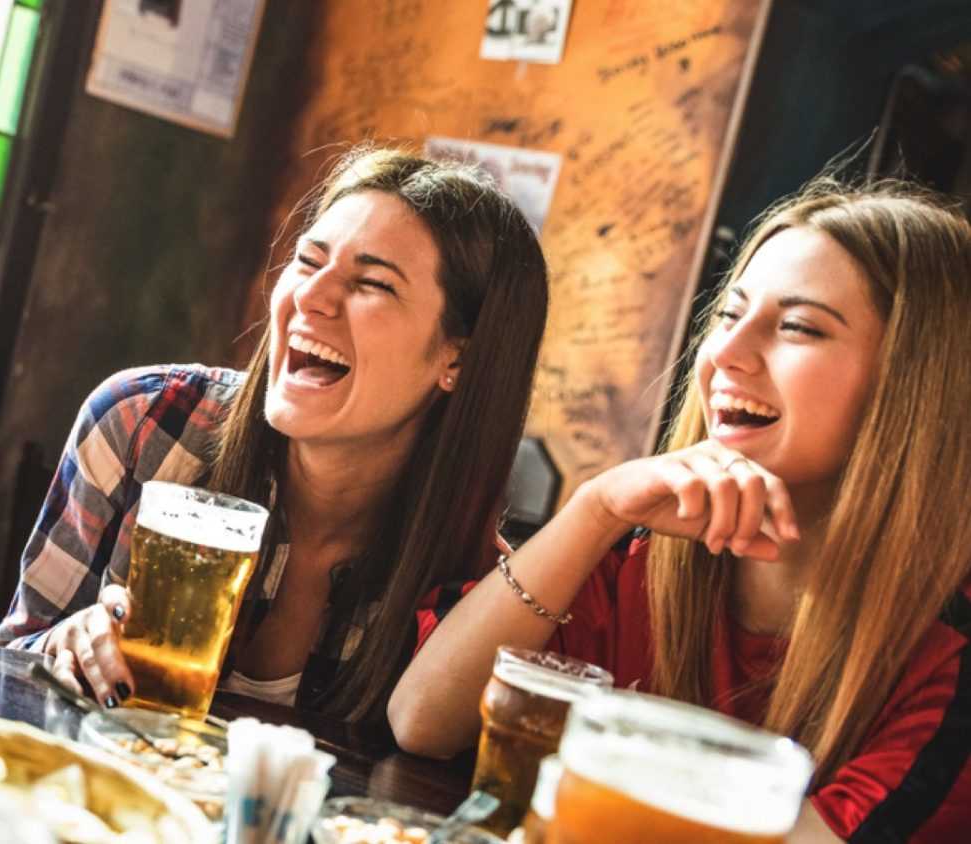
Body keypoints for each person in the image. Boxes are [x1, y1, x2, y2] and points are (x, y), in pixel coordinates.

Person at [390, 177, 971, 842]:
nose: (725, 353)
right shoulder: (635, 551)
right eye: (729, 315)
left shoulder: (949, 662)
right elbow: (422, 721)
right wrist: (594, 508)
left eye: (799, 327)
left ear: (914, 387)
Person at [0, 146, 550, 723]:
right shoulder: (144, 424)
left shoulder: (478, 589)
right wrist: (60, 648)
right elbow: (0, 667)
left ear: (459, 358)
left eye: (373, 284)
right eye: (308, 261)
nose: (310, 296)